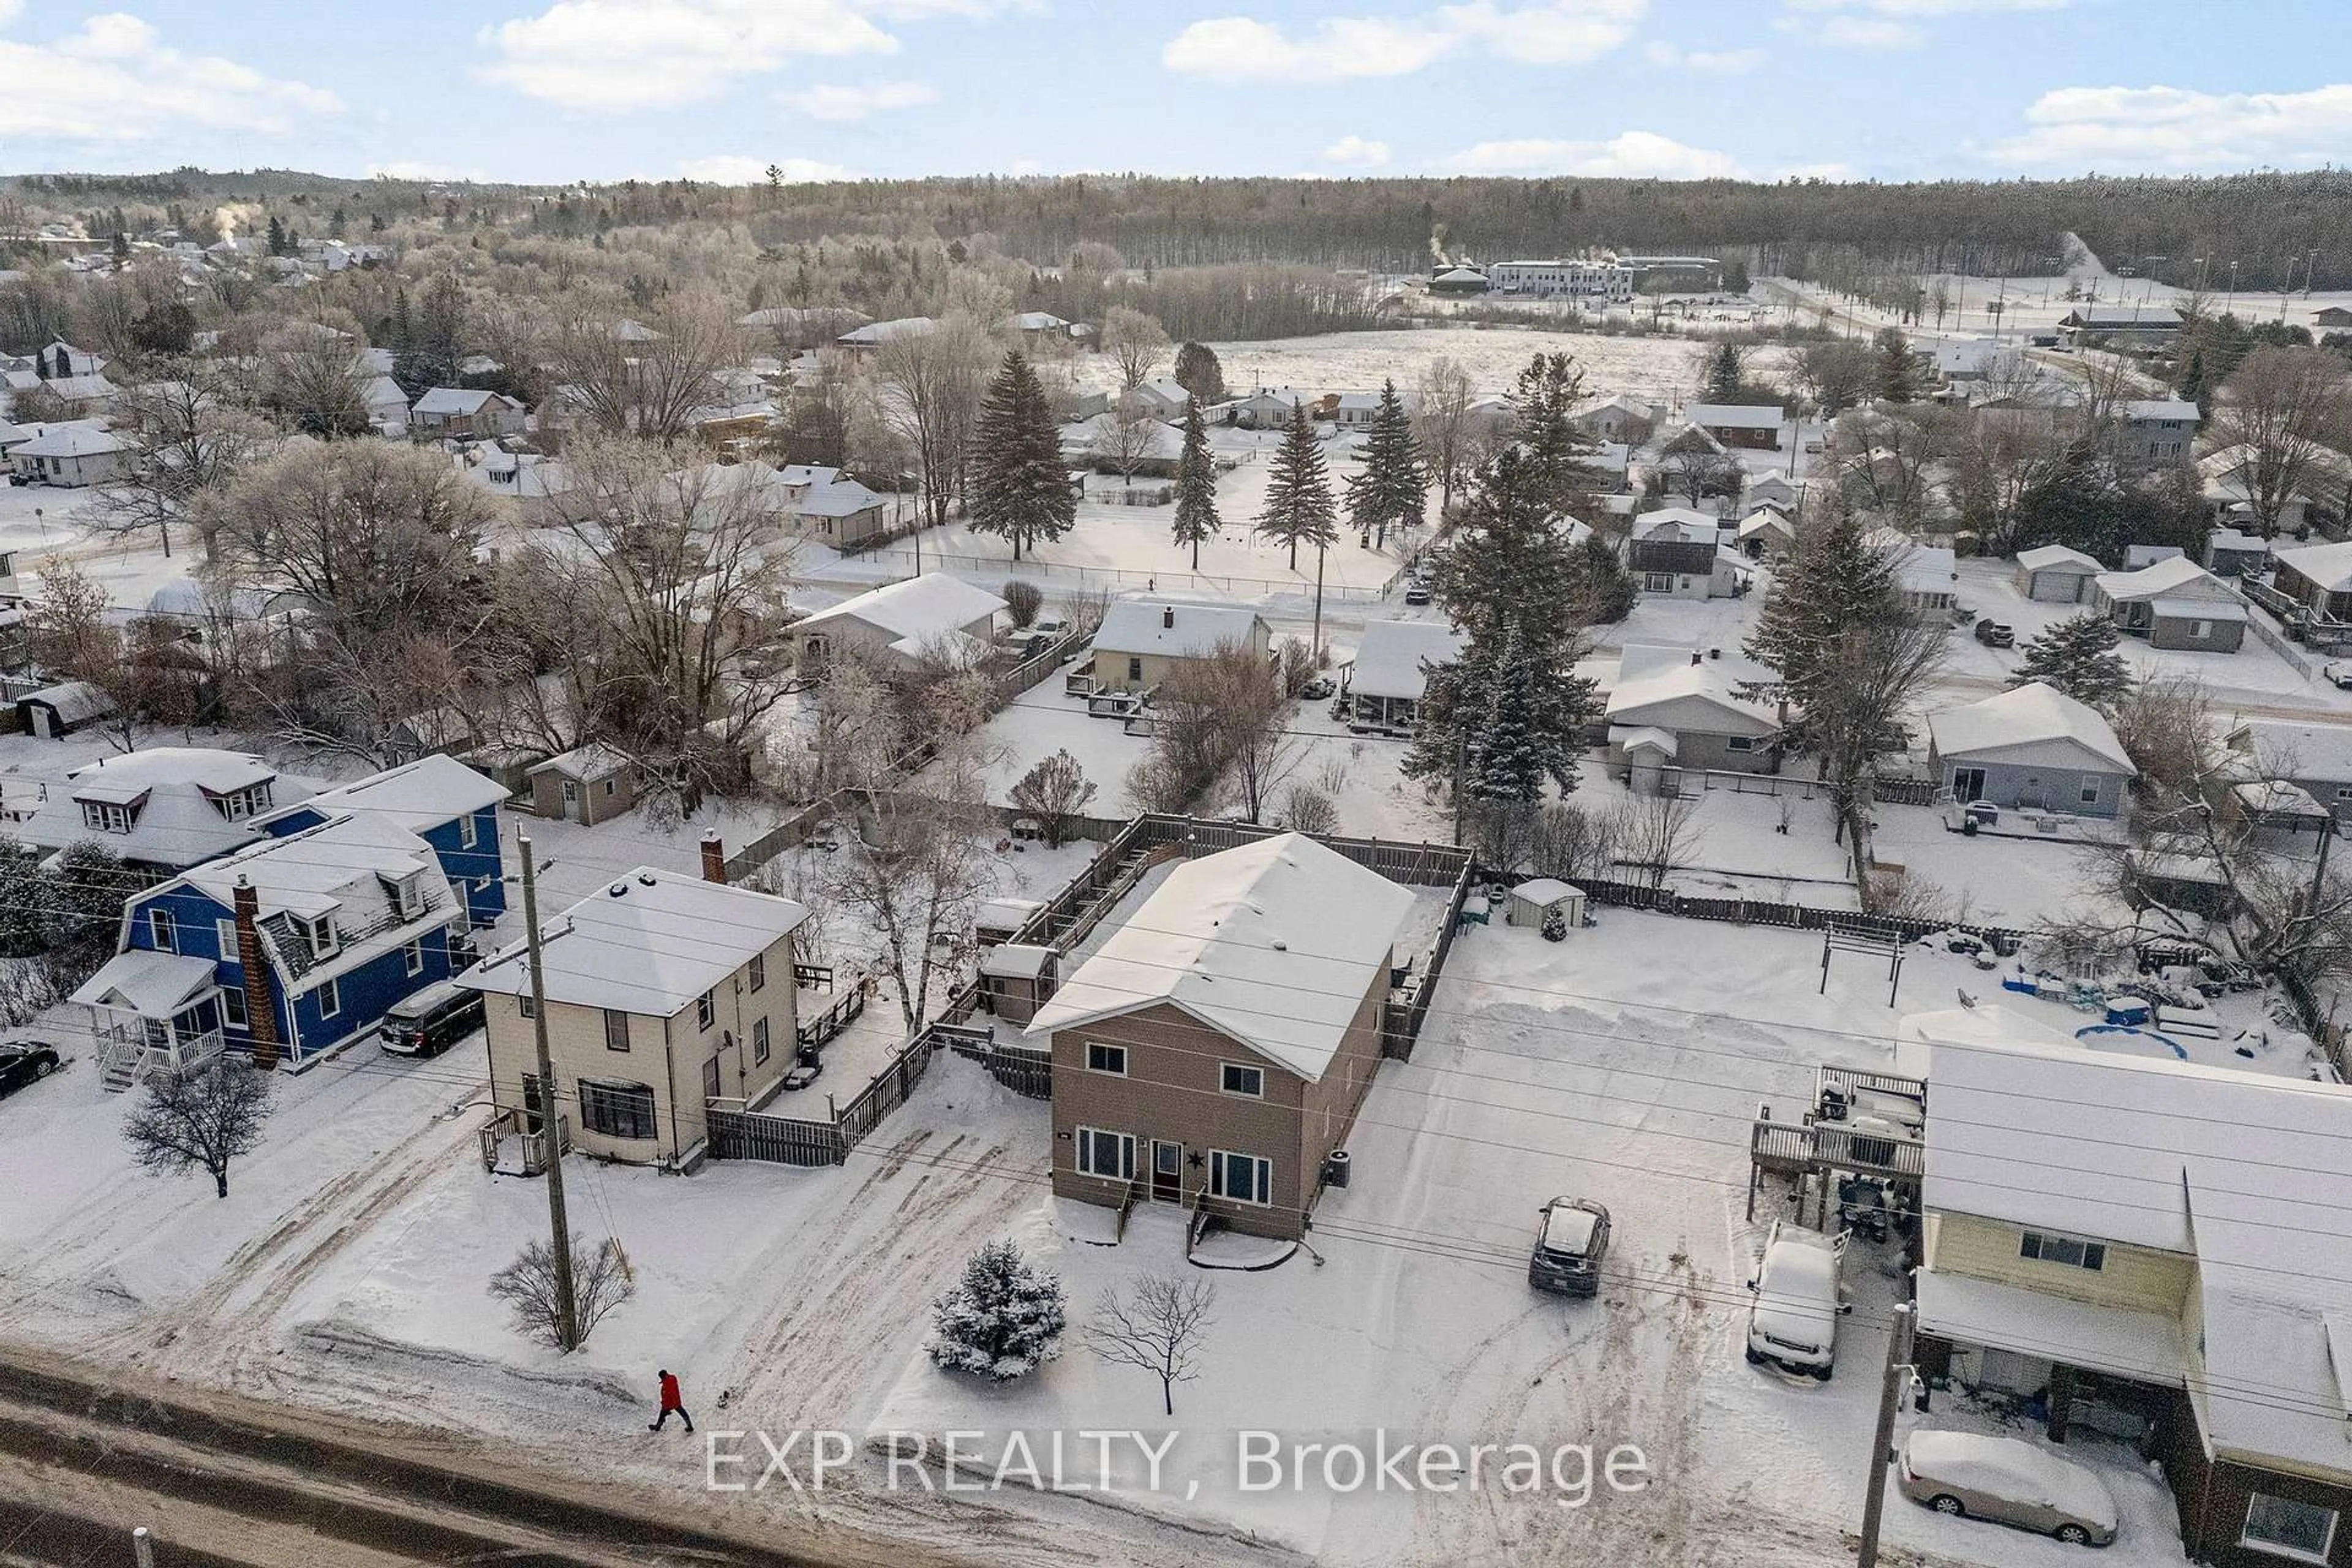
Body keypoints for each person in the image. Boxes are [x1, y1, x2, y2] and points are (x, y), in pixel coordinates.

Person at [649, 1368, 692, 1433]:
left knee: (663, 1414)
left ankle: (658, 1427)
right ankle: (690, 1426)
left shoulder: (667, 1383)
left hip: (670, 1403)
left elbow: (669, 1394)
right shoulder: (672, 1378)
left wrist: (666, 1404)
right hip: (674, 1401)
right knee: (682, 1413)